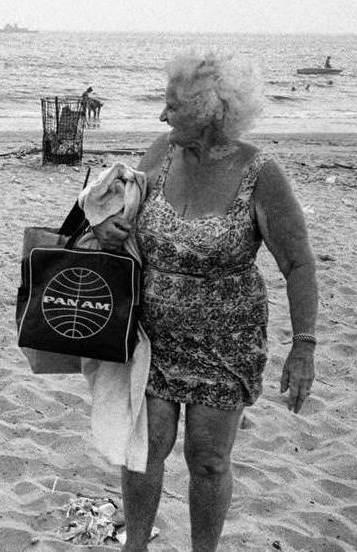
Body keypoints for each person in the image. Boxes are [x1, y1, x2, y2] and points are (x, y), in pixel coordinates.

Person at [94, 53, 317, 551]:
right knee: (147, 449)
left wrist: (303, 346)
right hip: (152, 334)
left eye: (172, 106)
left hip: (226, 344)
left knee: (208, 459)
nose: (161, 116)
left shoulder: (260, 173)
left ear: (209, 111)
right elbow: (113, 215)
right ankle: (136, 545)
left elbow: (299, 264)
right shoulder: (160, 154)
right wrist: (106, 227)